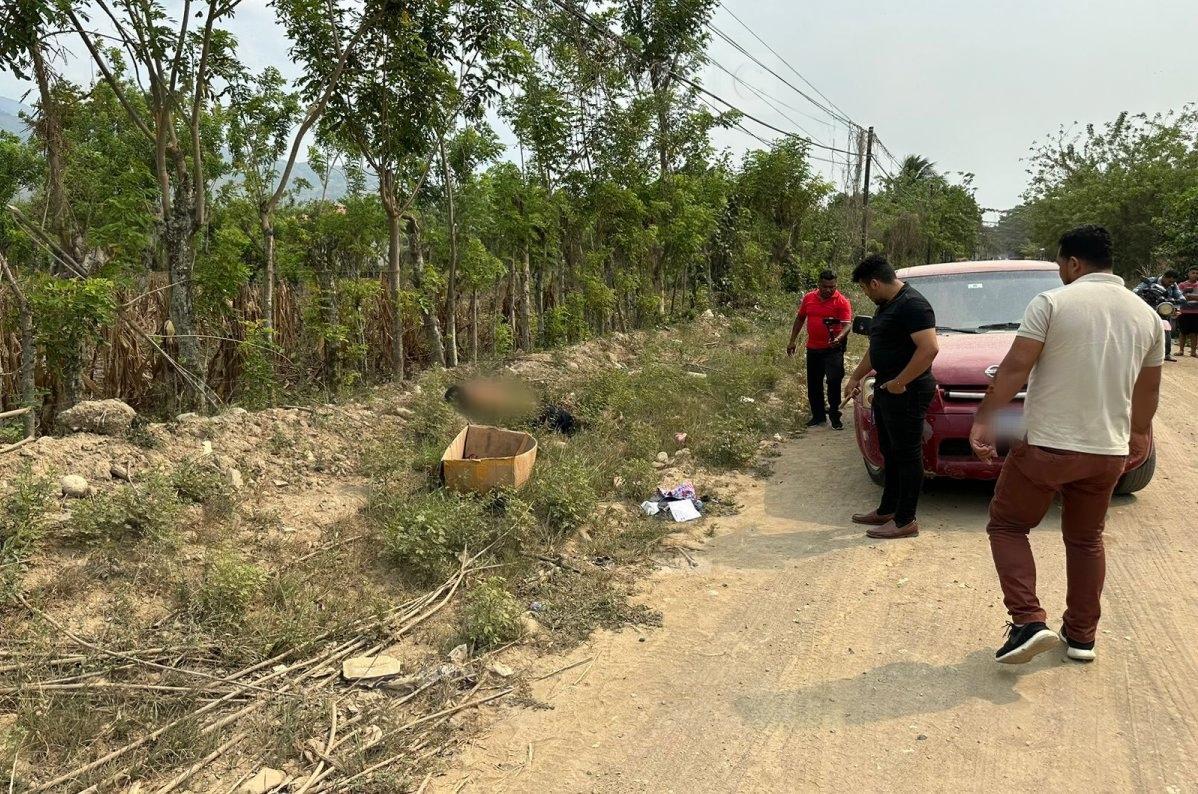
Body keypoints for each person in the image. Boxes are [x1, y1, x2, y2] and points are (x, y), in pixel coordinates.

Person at [970, 225, 1163, 665]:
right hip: (1107, 453)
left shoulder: (1053, 303)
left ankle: (1028, 622)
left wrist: (985, 420)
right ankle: (1081, 639)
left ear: (1074, 263)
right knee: (1085, 540)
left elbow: (1015, 369)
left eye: (1060, 264)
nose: (1059, 272)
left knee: (1008, 525)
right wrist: (1139, 434)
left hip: (1047, 447)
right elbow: (1147, 391)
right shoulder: (1147, 316)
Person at [844, 254, 939, 540]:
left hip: (907, 391)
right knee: (890, 452)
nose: (864, 293)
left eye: (863, 288)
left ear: (874, 283)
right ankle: (888, 509)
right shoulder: (886, 306)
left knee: (908, 455)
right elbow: (877, 347)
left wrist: (901, 382)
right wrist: (856, 376)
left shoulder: (914, 305)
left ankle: (905, 520)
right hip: (887, 387)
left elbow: (929, 349)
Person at [787, 270, 853, 430]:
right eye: (825, 286)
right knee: (814, 383)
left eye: (832, 286)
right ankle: (818, 416)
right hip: (813, 349)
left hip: (833, 349)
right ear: (819, 284)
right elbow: (800, 318)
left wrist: (838, 338)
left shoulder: (842, 301)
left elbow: (847, 324)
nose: (829, 290)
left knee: (834, 381)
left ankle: (835, 416)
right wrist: (792, 341)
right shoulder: (809, 298)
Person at [1133, 268, 1183, 361]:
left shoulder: (1173, 285)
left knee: (1166, 330)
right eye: (1170, 281)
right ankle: (1138, 352)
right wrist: (1141, 296)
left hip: (1162, 308)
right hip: (1147, 308)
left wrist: (1178, 303)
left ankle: (1166, 354)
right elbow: (1135, 291)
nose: (1171, 284)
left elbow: (1180, 296)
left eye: (1173, 282)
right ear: (1164, 277)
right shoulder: (1151, 280)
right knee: (1142, 329)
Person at [1177, 266, 1198, 357]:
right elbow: (1178, 297)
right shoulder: (1181, 285)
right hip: (1184, 312)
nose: (1195, 275)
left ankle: (1193, 352)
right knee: (1183, 332)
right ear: (1188, 274)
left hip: (1196, 312)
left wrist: (1188, 296)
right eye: (1193, 273)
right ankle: (1181, 350)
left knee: (1194, 333)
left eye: (1197, 273)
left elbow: (1185, 297)